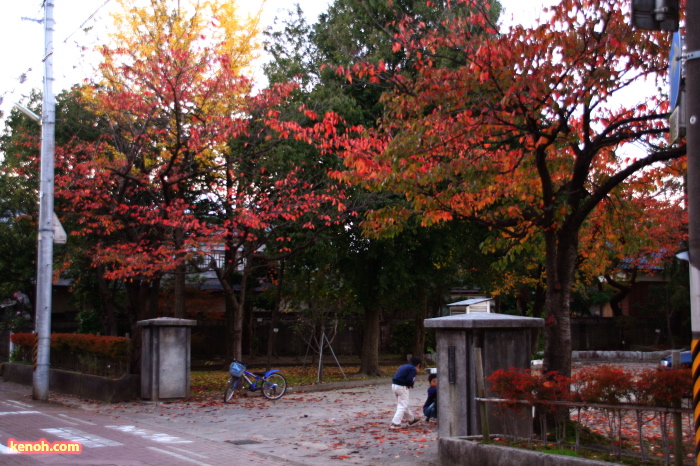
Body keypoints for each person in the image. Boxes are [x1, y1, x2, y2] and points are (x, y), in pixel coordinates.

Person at [390, 356, 422, 429]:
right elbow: (409, 379)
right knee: (402, 405)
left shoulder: (404, 366)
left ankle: (411, 419)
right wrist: (411, 384)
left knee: (404, 403)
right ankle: (395, 423)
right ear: (418, 365)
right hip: (402, 387)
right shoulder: (412, 369)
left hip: (394, 385)